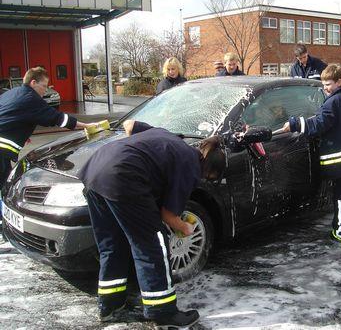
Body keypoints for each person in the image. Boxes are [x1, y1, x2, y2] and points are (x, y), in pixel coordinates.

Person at [77, 119, 226, 328]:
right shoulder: (190, 166)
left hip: (95, 171)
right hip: (123, 179)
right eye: (208, 177)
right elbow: (168, 215)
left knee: (112, 245)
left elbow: (129, 125)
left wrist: (132, 154)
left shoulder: (170, 137)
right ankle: (163, 311)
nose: (203, 180)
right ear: (207, 168)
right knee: (152, 245)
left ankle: (110, 305)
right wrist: (185, 228)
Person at [283, 64, 341, 244]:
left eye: (328, 84)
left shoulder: (331, 102)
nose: (325, 88)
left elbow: (319, 125)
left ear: (339, 82)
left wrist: (295, 124)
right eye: (323, 84)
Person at [0, 67, 94, 213]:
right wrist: (87, 126)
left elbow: (10, 116)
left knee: (5, 184)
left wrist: (19, 133)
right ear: (33, 83)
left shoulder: (12, 93)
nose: (45, 90)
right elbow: (59, 119)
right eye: (43, 86)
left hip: (3, 152)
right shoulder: (31, 99)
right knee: (3, 186)